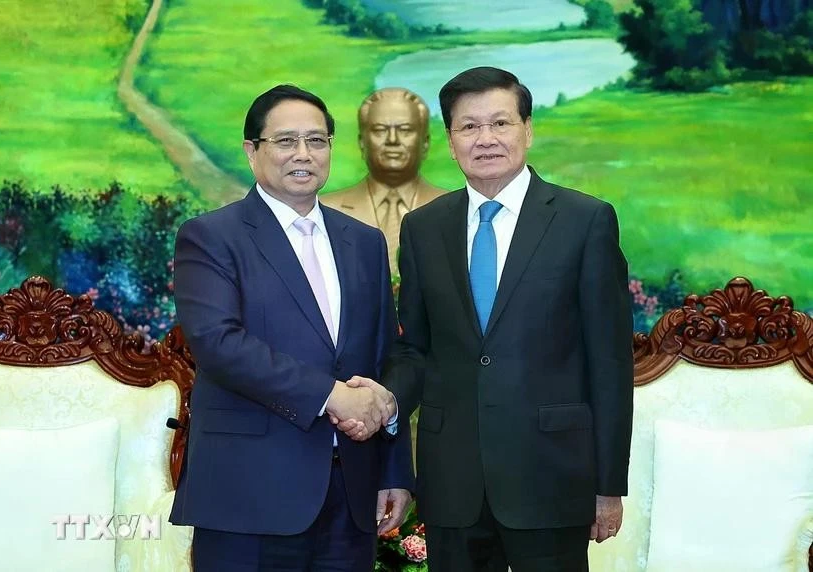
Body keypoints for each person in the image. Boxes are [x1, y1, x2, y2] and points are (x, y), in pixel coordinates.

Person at [349, 66, 634, 571]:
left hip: (551, 479)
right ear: (451, 140)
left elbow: (609, 362)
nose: (486, 140)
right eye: (469, 127)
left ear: (527, 130)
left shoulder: (584, 220)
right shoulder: (423, 228)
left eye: (500, 124)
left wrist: (608, 486)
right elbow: (415, 347)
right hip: (452, 482)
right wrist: (388, 399)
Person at [169, 84, 414, 572]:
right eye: (285, 141)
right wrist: (333, 396)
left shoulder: (363, 242)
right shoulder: (211, 236)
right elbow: (220, 344)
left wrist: (394, 470)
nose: (303, 154)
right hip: (249, 498)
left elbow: (387, 356)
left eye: (317, 141)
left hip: (352, 497)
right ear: (252, 151)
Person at [320, 87, 444, 274]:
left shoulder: (454, 211)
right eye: (380, 130)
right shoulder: (325, 210)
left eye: (405, 130)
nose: (392, 140)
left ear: (425, 143)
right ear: (362, 143)